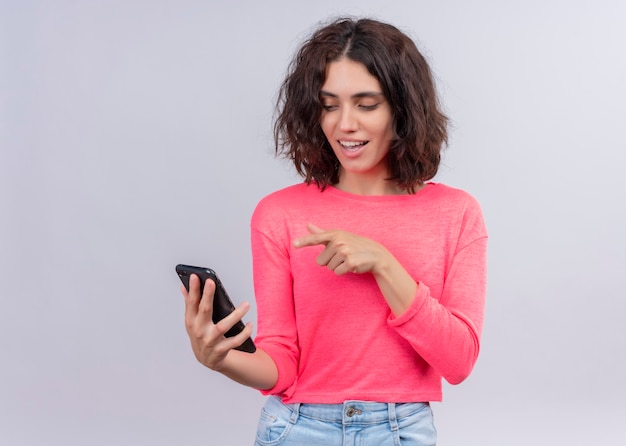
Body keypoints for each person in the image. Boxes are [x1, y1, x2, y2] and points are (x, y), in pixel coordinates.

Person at [182, 17, 488, 445]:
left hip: (401, 432)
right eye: (329, 105)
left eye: (366, 104)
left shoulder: (456, 214)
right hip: (296, 428)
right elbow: (282, 363)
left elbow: (458, 362)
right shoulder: (279, 214)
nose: (344, 124)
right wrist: (221, 359)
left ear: (402, 108)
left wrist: (383, 263)